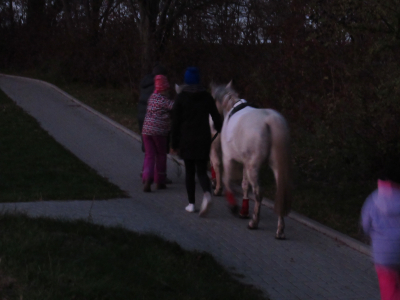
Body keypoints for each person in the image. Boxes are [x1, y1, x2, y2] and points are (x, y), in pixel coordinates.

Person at [171, 67, 222, 216]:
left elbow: (175, 123)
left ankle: (191, 204)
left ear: (186, 80)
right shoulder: (207, 97)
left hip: (186, 140)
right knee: (201, 171)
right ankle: (207, 194)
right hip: (203, 139)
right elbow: (216, 117)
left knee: (189, 172)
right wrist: (219, 129)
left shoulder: (181, 98)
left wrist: (174, 143)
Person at [361, 160, 400, 300]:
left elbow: (366, 224)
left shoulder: (374, 199)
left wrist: (370, 234)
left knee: (389, 289)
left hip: (384, 256)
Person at [137, 63, 172, 183]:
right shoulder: (161, 92)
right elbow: (172, 107)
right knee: (161, 153)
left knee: (149, 153)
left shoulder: (146, 85)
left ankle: (146, 175)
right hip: (159, 126)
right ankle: (160, 177)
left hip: (145, 120)